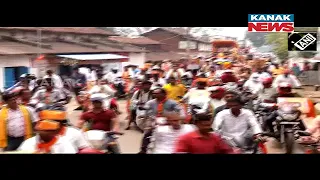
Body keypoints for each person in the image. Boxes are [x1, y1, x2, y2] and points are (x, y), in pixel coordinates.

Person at [139, 88, 185, 153]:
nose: (154, 94)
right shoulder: (151, 102)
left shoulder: (172, 102)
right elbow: (146, 108)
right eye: (154, 93)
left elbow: (180, 110)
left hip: (168, 120)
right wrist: (142, 108)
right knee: (147, 133)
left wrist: (179, 117)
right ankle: (143, 150)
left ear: (164, 94)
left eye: (157, 93)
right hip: (154, 120)